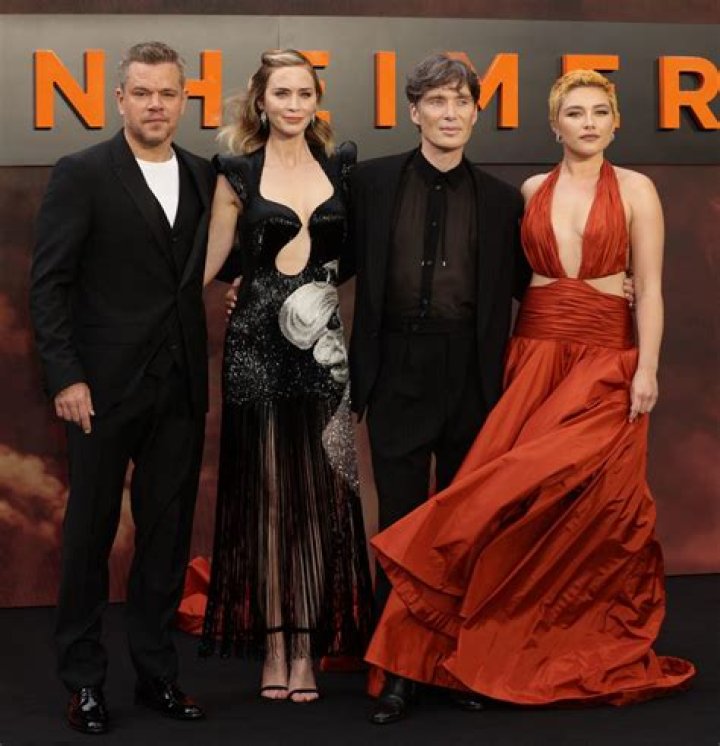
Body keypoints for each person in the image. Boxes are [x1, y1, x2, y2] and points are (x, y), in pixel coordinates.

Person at [363, 69, 696, 719]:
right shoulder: (529, 191)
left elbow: (651, 288)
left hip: (605, 361)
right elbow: (508, 280)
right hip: (531, 360)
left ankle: (539, 648)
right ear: (554, 125)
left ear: (616, 122)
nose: (589, 123)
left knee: (590, 508)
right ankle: (431, 657)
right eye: (576, 112)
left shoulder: (637, 190)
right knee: (494, 507)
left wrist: (647, 367)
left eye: (600, 112)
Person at [340, 53, 531, 722]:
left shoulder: (504, 201)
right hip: (395, 364)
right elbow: (329, 259)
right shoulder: (370, 182)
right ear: (414, 111)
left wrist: (604, 290)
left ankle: (450, 665)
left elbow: (529, 286)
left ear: (476, 113)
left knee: (461, 529)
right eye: (438, 102)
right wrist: (254, 281)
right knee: (400, 522)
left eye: (462, 103)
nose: (451, 114)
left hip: (472, 374)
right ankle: (396, 668)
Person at [29, 42, 214, 735]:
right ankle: (83, 682)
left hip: (180, 388)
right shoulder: (82, 173)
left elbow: (201, 269)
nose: (155, 105)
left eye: (167, 93)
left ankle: (157, 674)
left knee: (165, 540)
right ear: (120, 100)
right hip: (100, 390)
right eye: (142, 93)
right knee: (90, 535)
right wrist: (66, 375)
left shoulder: (203, 175)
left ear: (183, 100)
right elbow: (49, 284)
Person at [200, 49, 374, 703]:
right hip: (254, 350)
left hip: (323, 353)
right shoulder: (236, 172)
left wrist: (315, 291)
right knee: (272, 502)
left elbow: (355, 254)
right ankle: (274, 647)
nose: (294, 104)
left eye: (305, 93)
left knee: (319, 503)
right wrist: (241, 284)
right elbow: (209, 262)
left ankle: (307, 651)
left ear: (315, 101)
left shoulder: (341, 166)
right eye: (282, 93)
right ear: (262, 101)